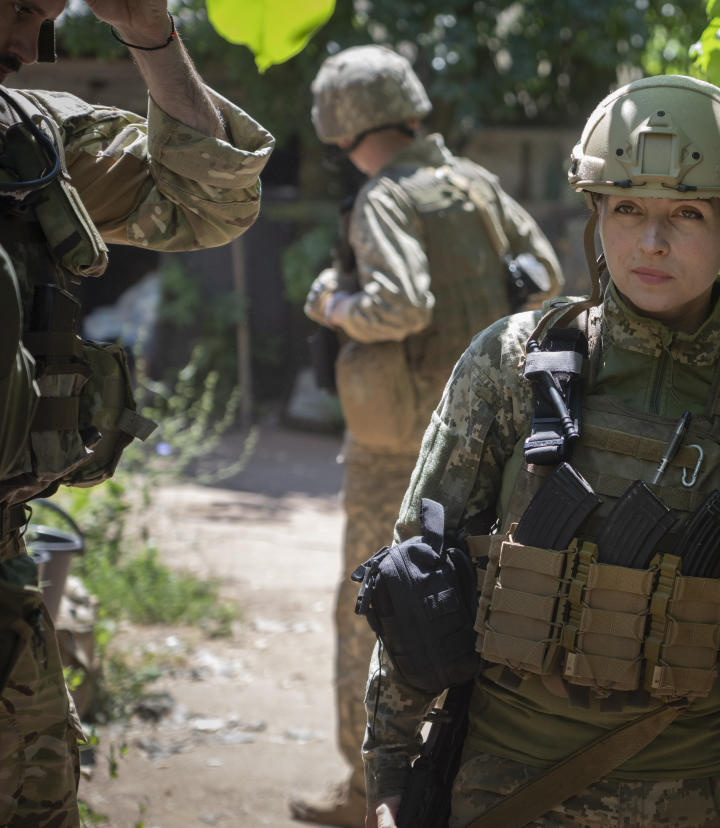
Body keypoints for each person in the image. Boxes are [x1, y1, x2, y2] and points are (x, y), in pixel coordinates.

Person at [361, 74, 720, 828]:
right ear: (596, 214)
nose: (651, 242)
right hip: (508, 786)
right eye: (627, 209)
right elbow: (421, 575)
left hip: (703, 796)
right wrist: (389, 766)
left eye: (686, 213)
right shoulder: (509, 362)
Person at [0, 1, 273, 825]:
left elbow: (208, 199)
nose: (26, 43)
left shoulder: (29, 142)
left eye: (41, 19)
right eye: (15, 8)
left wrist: (149, 33)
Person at [292, 44, 564, 826]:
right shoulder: (473, 184)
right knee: (478, 603)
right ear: (410, 108)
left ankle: (364, 792)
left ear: (342, 130)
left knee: (375, 609)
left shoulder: (383, 197)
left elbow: (400, 305)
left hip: (397, 445)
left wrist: (328, 303)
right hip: (490, 437)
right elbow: (543, 276)